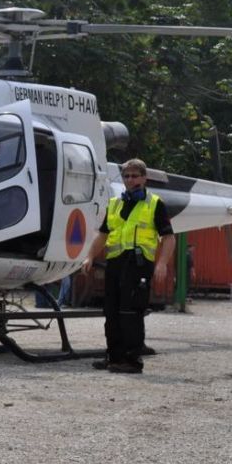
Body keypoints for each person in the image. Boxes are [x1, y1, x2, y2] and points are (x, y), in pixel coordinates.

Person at [81, 159, 175, 373]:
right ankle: (114, 357)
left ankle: (132, 361)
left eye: (134, 175)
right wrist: (89, 257)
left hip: (138, 264)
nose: (130, 180)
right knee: (112, 312)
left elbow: (169, 238)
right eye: (126, 176)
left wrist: (162, 263)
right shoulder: (115, 203)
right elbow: (103, 235)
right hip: (115, 264)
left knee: (131, 312)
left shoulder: (154, 203)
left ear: (144, 178)